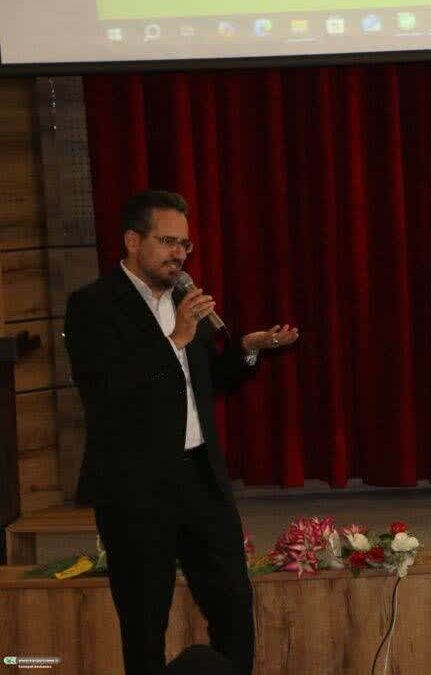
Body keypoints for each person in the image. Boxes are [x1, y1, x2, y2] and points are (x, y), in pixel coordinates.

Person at [63, 190, 299, 675]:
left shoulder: (182, 301)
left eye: (185, 245)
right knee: (144, 618)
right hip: (136, 487)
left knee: (233, 603)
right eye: (168, 242)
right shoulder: (92, 305)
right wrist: (174, 342)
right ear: (133, 241)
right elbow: (106, 389)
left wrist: (249, 350)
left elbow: (208, 383)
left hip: (200, 478)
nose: (180, 254)